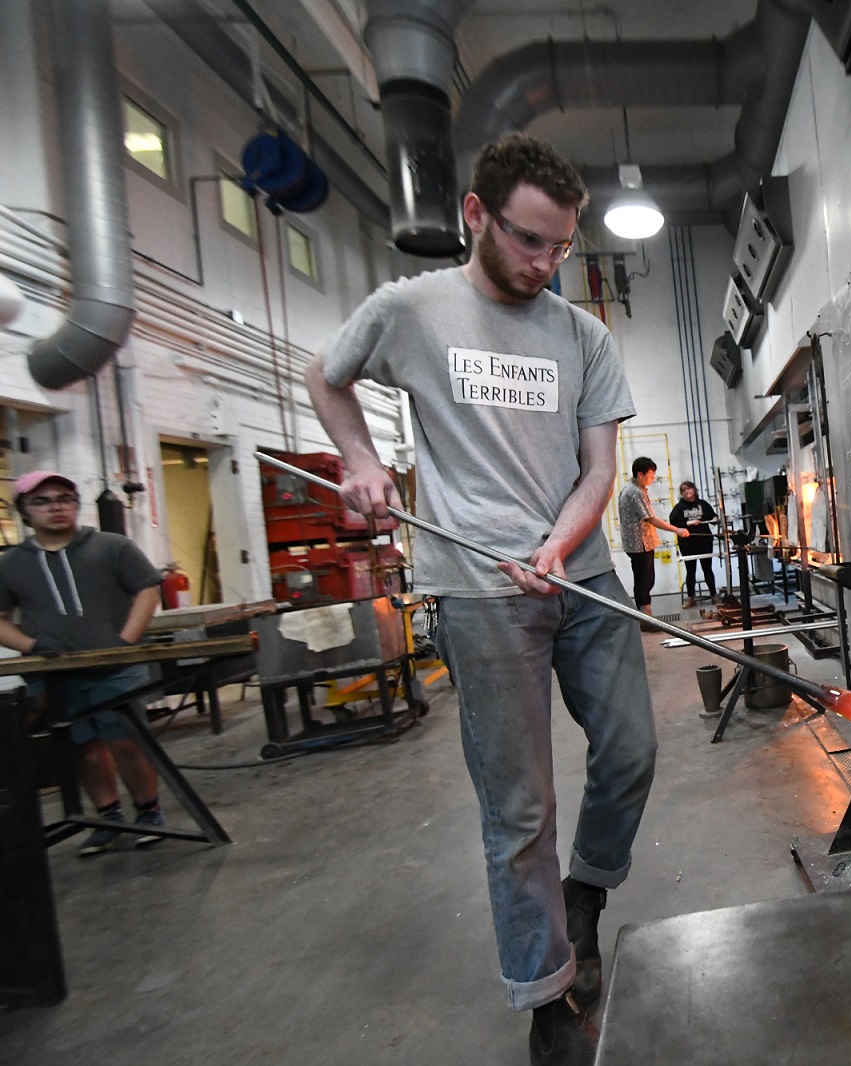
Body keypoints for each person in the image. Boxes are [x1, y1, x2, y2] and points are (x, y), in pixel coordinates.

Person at [306, 134, 656, 1066]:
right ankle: (546, 996)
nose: (548, 265)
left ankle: (586, 891)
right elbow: (327, 378)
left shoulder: (581, 334)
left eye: (561, 248)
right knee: (520, 810)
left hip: (579, 574)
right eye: (532, 241)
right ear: (475, 214)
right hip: (478, 589)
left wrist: (557, 545)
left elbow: (596, 468)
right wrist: (363, 461)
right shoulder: (411, 311)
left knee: (630, 750)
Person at [0, 471, 167, 856]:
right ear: (24, 511)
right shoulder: (11, 564)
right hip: (56, 673)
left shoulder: (112, 546)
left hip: (115, 667)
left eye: (65, 498)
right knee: (83, 746)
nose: (56, 507)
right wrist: (32, 646)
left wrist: (125, 642)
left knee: (125, 740)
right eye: (42, 501)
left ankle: (149, 811)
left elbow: (147, 589)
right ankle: (107, 816)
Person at [616, 457, 687, 622]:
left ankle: (646, 615)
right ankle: (645, 617)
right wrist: (676, 529)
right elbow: (651, 519)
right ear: (640, 474)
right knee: (644, 580)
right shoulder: (635, 492)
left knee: (646, 578)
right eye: (650, 475)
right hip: (640, 543)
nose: (652, 479)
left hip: (642, 543)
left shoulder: (633, 488)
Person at [667, 481, 718, 607]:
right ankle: (690, 598)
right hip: (688, 544)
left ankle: (713, 595)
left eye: (689, 489)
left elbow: (712, 518)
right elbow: (673, 523)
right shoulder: (679, 508)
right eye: (683, 491)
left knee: (707, 569)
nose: (687, 492)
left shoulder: (703, 504)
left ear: (694, 490)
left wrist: (716, 519)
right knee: (691, 571)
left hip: (704, 542)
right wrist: (689, 523)